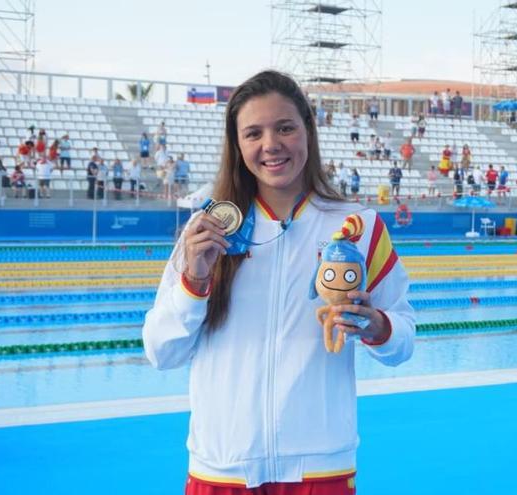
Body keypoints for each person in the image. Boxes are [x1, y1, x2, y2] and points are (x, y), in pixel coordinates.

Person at [141, 70, 413, 494]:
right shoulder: (206, 230)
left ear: (308, 130)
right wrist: (194, 282)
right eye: (254, 133)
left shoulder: (359, 227)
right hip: (221, 469)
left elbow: (403, 341)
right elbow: (161, 352)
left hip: (319, 470)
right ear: (237, 145)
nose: (271, 144)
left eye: (285, 127)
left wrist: (375, 325)